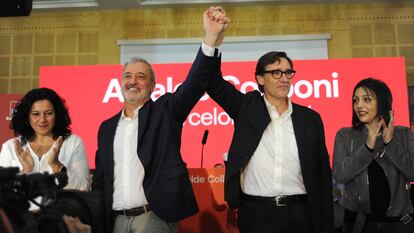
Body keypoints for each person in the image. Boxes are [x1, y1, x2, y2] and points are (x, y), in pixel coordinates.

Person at [91, 6, 229, 233]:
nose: (132, 81)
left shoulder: (165, 112)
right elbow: (101, 180)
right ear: (120, 83)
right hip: (114, 221)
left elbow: (194, 84)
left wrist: (210, 39)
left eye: (140, 76)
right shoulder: (106, 128)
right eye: (128, 76)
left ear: (153, 86)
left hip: (153, 219)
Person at [205, 50, 334, 233]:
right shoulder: (247, 108)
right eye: (276, 72)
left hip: (300, 213)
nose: (284, 78)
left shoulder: (310, 119)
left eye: (288, 72)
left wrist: (326, 224)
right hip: (256, 213)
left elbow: (322, 175)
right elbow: (214, 84)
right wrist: (213, 41)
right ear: (260, 78)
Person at [332, 77, 414, 233]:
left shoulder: (403, 134)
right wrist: (367, 148)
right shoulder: (344, 135)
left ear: (382, 102)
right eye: (355, 100)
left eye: (366, 99)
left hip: (400, 223)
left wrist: (390, 143)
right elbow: (340, 176)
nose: (359, 105)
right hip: (360, 224)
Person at [0, 88, 90, 192]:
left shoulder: (73, 143)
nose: (42, 119)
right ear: (27, 117)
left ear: (57, 115)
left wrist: (57, 166)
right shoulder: (10, 146)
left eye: (48, 113)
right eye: (35, 114)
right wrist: (25, 171)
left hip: (61, 208)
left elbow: (84, 187)